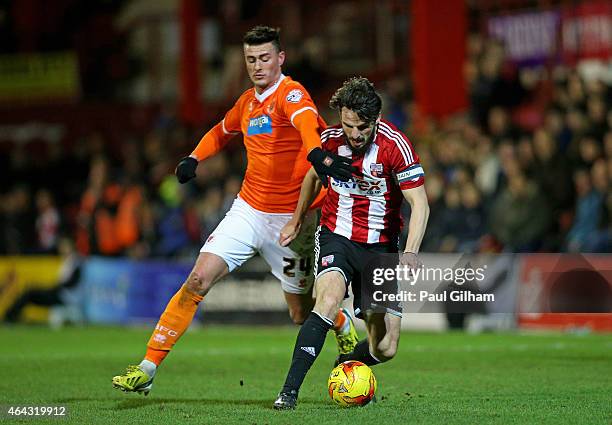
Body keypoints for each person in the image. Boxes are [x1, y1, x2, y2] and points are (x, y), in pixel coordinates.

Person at [112, 26, 358, 395]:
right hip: (248, 211)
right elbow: (220, 131)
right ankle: (148, 366)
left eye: (264, 58)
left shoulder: (291, 94)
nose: (257, 66)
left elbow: (307, 124)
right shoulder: (246, 103)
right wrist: (194, 157)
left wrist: (316, 154)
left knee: (298, 312)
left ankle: (340, 321)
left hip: (295, 221)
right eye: (250, 60)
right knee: (197, 280)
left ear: (280, 58)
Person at [272, 77, 429, 409]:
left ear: (375, 120)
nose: (354, 134)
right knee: (327, 301)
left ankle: (343, 367)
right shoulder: (329, 141)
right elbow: (313, 176)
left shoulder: (395, 145)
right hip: (337, 237)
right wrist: (297, 218)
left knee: (385, 347)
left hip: (380, 249)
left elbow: (420, 204)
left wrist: (411, 251)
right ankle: (289, 392)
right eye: (348, 125)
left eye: (361, 127)